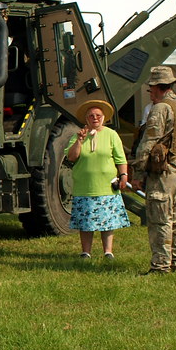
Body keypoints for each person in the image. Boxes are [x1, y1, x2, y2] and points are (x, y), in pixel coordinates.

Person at [132, 66, 176, 274]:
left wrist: (138, 173)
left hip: (163, 172)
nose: (150, 92)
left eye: (151, 88)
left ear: (156, 87)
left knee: (160, 219)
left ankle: (160, 265)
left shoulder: (160, 108)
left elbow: (149, 142)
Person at [65, 99, 130, 259]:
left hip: (106, 187)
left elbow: (120, 158)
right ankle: (86, 252)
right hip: (85, 187)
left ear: (104, 118)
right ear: (86, 119)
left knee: (107, 222)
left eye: (98, 115)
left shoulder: (111, 135)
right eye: (91, 116)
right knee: (86, 222)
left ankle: (108, 251)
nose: (95, 118)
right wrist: (79, 141)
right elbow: (72, 157)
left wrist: (123, 175)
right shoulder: (78, 136)